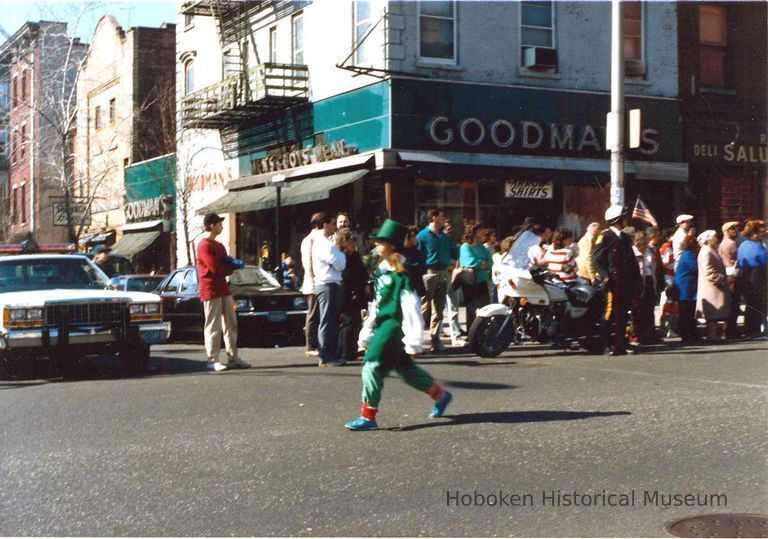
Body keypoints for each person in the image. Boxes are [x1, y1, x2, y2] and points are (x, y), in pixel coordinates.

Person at [344, 219, 453, 431]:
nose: (376, 246)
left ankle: (368, 417)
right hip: (382, 325)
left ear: (391, 245)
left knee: (371, 366)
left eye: (380, 242)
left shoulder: (402, 274)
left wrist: (414, 341)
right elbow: (376, 305)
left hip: (393, 327)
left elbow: (411, 306)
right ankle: (441, 395)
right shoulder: (381, 272)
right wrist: (367, 330)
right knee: (404, 368)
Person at [196, 213, 250, 371]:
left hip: (223, 289)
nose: (222, 226)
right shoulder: (203, 245)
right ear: (211, 225)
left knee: (230, 323)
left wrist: (230, 265)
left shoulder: (219, 246)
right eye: (219, 224)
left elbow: (224, 269)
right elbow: (214, 268)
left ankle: (233, 357)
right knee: (213, 325)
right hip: (210, 289)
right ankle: (212, 359)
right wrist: (231, 265)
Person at [592, 205, 641, 355]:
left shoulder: (625, 237)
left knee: (623, 313)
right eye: (623, 217)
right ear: (617, 220)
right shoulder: (605, 236)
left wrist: (637, 278)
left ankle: (621, 344)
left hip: (625, 281)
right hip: (613, 281)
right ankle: (606, 344)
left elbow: (631, 260)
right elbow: (596, 260)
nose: (626, 220)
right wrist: (606, 276)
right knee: (610, 313)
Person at [416, 209, 457, 353]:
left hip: (443, 273)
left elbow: (455, 251)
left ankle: (435, 340)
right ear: (433, 218)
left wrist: (452, 261)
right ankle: (416, 340)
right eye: (442, 216)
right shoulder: (422, 236)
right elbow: (418, 255)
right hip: (429, 273)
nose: (444, 219)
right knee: (424, 307)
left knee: (439, 310)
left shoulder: (444, 237)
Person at [312, 212, 347, 366]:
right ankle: (326, 356)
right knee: (328, 320)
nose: (335, 227)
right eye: (333, 224)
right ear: (325, 225)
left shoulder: (325, 242)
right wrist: (340, 256)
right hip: (327, 284)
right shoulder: (324, 244)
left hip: (328, 283)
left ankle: (329, 354)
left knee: (330, 320)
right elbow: (339, 263)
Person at [336, 228, 368, 362]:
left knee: (356, 322)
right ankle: (345, 352)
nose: (353, 245)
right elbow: (347, 275)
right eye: (351, 242)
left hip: (357, 291)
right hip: (346, 292)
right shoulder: (342, 256)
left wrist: (364, 284)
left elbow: (361, 271)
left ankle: (351, 350)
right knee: (348, 322)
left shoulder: (355, 255)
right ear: (343, 242)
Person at [695, 230, 730, 342]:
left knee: (714, 314)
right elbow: (708, 271)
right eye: (714, 237)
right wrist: (721, 280)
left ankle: (714, 334)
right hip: (711, 288)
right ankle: (712, 334)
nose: (716, 239)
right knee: (712, 313)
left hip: (713, 288)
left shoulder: (710, 250)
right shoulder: (706, 252)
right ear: (708, 240)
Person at [459, 222, 494, 329]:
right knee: (471, 308)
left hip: (482, 280)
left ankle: (483, 331)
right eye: (479, 230)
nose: (482, 232)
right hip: (470, 282)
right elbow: (469, 261)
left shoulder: (481, 247)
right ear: (473, 232)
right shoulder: (465, 246)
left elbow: (490, 262)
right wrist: (481, 263)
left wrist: (484, 264)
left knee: (485, 307)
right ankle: (472, 332)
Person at [737, 220, 767, 339]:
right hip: (757, 276)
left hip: (747, 275)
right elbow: (764, 260)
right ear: (754, 233)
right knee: (758, 304)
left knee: (751, 304)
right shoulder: (756, 246)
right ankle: (754, 331)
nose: (763, 234)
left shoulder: (743, 245)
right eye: (761, 231)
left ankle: (750, 330)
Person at [300, 213, 325, 358]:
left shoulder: (322, 239)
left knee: (320, 314)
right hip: (314, 283)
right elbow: (307, 263)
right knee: (313, 314)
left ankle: (319, 344)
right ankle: (310, 345)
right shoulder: (309, 240)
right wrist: (314, 280)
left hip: (322, 282)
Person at [631, 231, 658, 344]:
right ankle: (637, 335)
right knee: (638, 310)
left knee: (649, 309)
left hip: (649, 280)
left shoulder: (649, 251)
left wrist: (654, 283)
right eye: (643, 243)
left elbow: (653, 267)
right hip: (638, 281)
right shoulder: (632, 252)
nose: (644, 245)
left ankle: (649, 335)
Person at [443, 219, 466, 347]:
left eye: (450, 227)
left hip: (451, 275)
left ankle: (455, 335)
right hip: (442, 274)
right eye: (447, 227)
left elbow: (457, 257)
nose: (450, 229)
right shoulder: (440, 242)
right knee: (435, 307)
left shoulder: (451, 242)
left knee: (453, 306)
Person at [674, 233, 699, 344]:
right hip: (685, 287)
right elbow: (695, 267)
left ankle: (691, 333)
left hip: (687, 286)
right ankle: (686, 334)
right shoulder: (689, 254)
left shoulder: (687, 253)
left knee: (689, 311)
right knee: (686, 311)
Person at [719, 221, 741, 339]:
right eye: (733, 229)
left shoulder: (722, 243)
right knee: (733, 302)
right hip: (732, 273)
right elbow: (735, 260)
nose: (736, 231)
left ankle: (728, 329)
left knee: (730, 302)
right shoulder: (731, 243)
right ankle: (731, 330)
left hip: (726, 274)